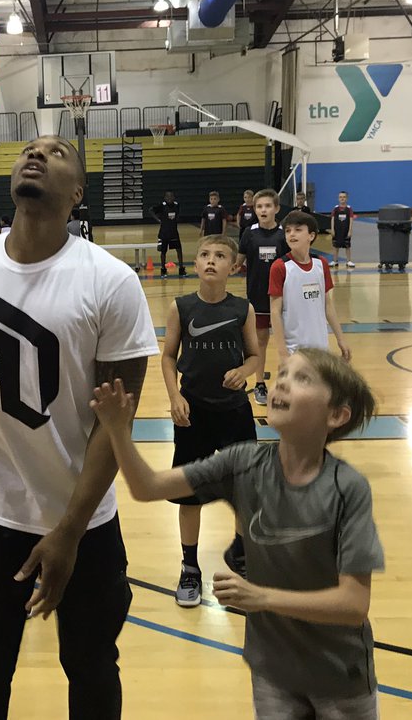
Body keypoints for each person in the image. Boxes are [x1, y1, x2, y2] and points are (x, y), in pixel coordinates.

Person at [0, 134, 158, 720]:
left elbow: (114, 426)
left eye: (57, 152)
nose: (37, 154)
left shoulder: (110, 281)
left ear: (78, 194)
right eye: (30, 148)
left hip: (84, 518)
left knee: (91, 666)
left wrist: (69, 531)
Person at [91, 349, 384, 720]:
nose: (281, 383)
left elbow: (354, 604)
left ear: (336, 415)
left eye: (302, 378)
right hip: (273, 671)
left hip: (340, 675)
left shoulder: (348, 489)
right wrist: (117, 431)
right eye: (282, 373)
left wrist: (261, 597)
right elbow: (146, 486)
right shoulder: (243, 463)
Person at [161, 235, 260, 603]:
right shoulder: (181, 307)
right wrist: (175, 396)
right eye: (204, 254)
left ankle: (241, 558)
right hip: (193, 413)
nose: (210, 260)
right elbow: (168, 356)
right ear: (197, 263)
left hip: (234, 412)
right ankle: (190, 567)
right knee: (189, 495)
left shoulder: (243, 309)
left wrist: (244, 371)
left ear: (233, 266)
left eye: (220, 255)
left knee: (245, 491)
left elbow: (254, 356)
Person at [270, 211, 351, 363]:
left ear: (311, 236)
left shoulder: (321, 264)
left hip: (321, 348)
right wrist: (282, 351)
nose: (292, 234)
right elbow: (275, 312)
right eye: (288, 230)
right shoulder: (280, 267)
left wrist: (341, 339)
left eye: (298, 230)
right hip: (294, 350)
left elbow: (328, 305)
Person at [236, 189, 289, 407]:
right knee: (260, 342)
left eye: (267, 206)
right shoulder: (249, 233)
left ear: (276, 209)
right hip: (257, 297)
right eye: (259, 206)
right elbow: (238, 262)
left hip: (282, 298)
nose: (263, 210)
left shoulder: (284, 234)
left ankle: (287, 385)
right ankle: (259, 384)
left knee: (286, 342)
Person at [152, 190, 186, 278]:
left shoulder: (177, 205)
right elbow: (151, 210)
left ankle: (181, 269)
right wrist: (158, 219)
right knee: (163, 252)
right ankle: (163, 269)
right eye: (168, 197)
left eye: (171, 196)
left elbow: (177, 215)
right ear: (165, 198)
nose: (169, 198)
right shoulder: (162, 206)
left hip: (174, 232)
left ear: (174, 197)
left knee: (179, 250)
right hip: (164, 233)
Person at [330, 191, 357, 269]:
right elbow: (332, 219)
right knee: (335, 246)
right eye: (340, 197)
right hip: (337, 230)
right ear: (338, 198)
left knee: (347, 246)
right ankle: (335, 261)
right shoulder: (335, 208)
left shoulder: (349, 209)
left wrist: (350, 230)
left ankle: (348, 261)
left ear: (347, 198)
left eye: (344, 197)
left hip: (345, 230)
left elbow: (351, 219)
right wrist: (332, 229)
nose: (342, 198)